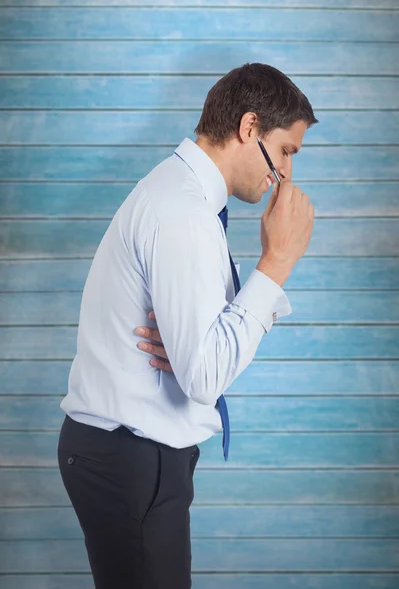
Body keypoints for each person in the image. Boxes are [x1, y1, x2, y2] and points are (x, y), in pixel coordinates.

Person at [57, 62, 317, 588]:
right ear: (249, 128)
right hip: (129, 456)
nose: (284, 175)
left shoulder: (188, 200)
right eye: (285, 151)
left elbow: (200, 357)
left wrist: (195, 343)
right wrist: (277, 264)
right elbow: (204, 378)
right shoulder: (183, 212)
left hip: (138, 455)